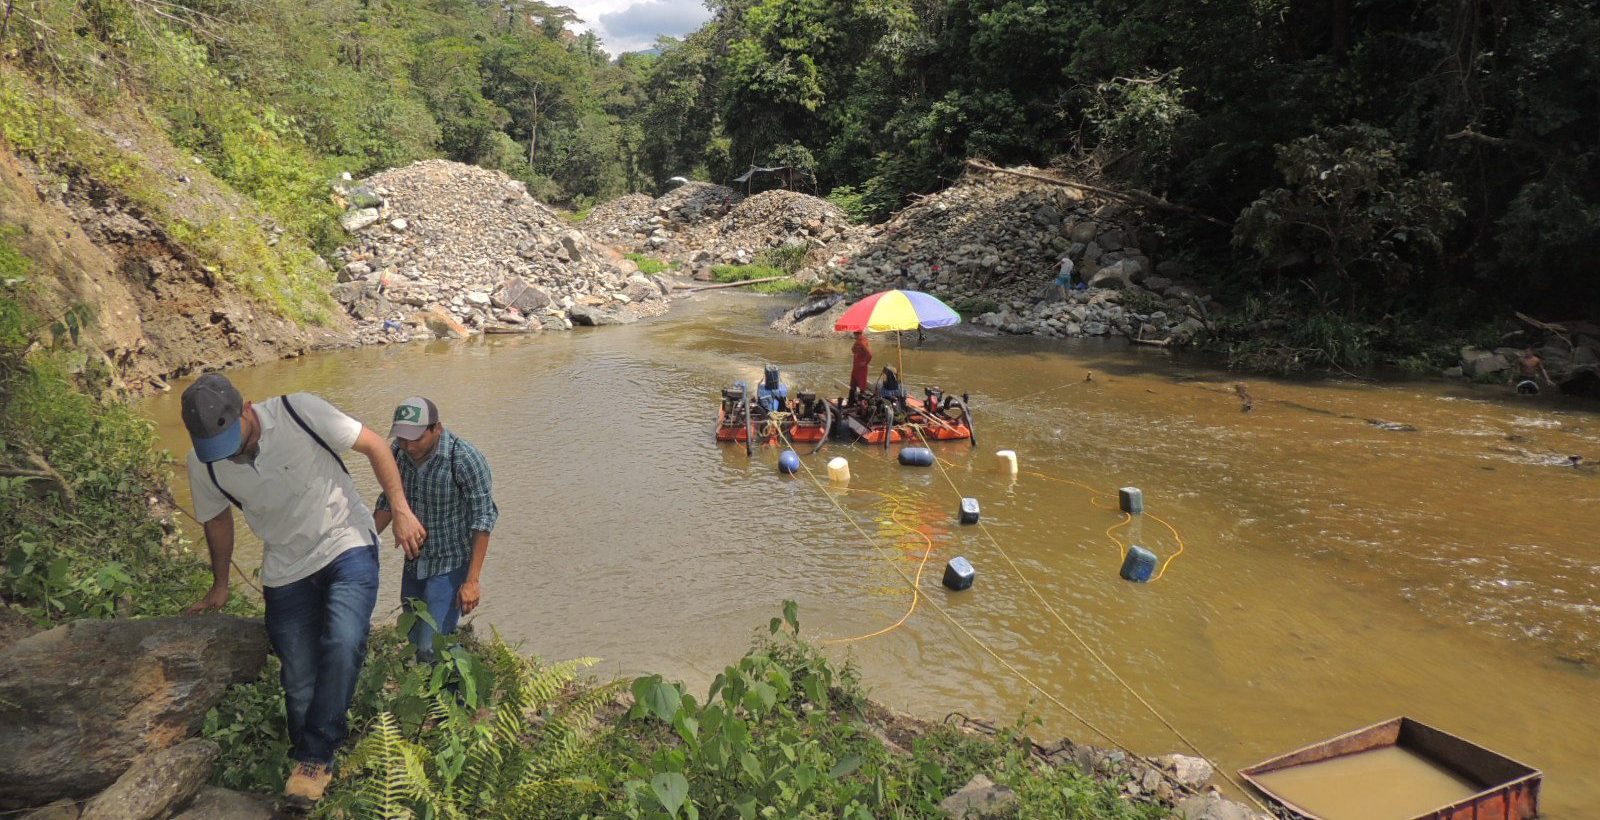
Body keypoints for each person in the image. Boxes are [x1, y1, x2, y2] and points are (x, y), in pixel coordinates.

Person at [180, 374, 423, 810]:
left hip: (346, 540)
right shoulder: (204, 464)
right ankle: (317, 758)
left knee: (344, 640)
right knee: (297, 679)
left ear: (247, 409)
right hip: (285, 567)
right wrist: (220, 585)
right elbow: (216, 519)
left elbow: (375, 445)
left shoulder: (300, 411)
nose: (229, 455)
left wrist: (401, 510)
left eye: (231, 441)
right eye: (217, 449)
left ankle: (313, 759)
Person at [375, 397, 498, 663]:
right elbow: (388, 502)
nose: (409, 446)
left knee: (431, 646)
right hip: (414, 563)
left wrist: (472, 581)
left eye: (416, 438)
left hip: (450, 565)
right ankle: (435, 685)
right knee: (413, 635)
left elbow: (483, 519)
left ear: (436, 429)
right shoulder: (397, 454)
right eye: (402, 438)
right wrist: (363, 542)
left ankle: (459, 684)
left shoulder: (463, 459)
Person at [849, 331, 872, 400]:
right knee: (853, 384)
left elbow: (870, 354)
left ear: (859, 334)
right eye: (854, 335)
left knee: (862, 385)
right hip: (856, 366)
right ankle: (851, 401)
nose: (854, 337)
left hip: (861, 368)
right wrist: (856, 343)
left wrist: (865, 362)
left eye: (855, 335)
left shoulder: (863, 342)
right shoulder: (858, 341)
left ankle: (862, 401)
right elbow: (852, 350)